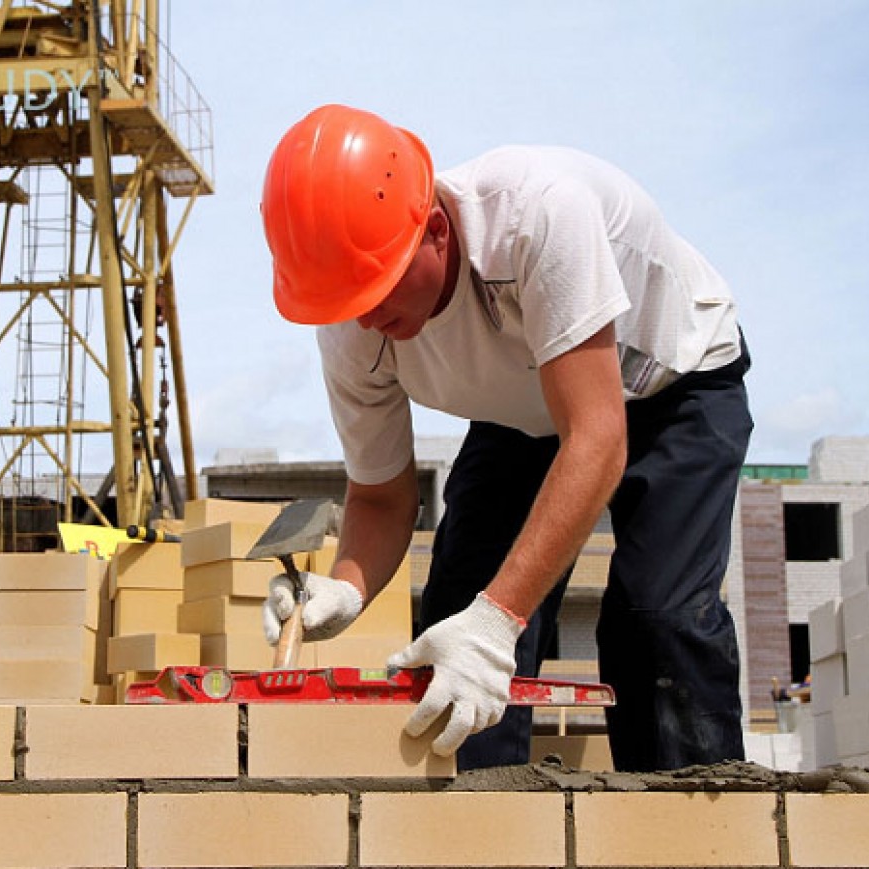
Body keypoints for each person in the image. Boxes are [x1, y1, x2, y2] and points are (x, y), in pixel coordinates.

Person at [258, 104, 753, 773]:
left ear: (436, 231)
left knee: (655, 619)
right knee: (456, 622)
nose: (366, 319)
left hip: (671, 383)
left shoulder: (535, 214)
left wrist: (498, 620)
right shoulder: (351, 326)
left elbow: (597, 438)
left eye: (377, 289)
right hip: (525, 408)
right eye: (348, 302)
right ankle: (480, 819)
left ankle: (696, 822)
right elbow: (380, 498)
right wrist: (345, 589)